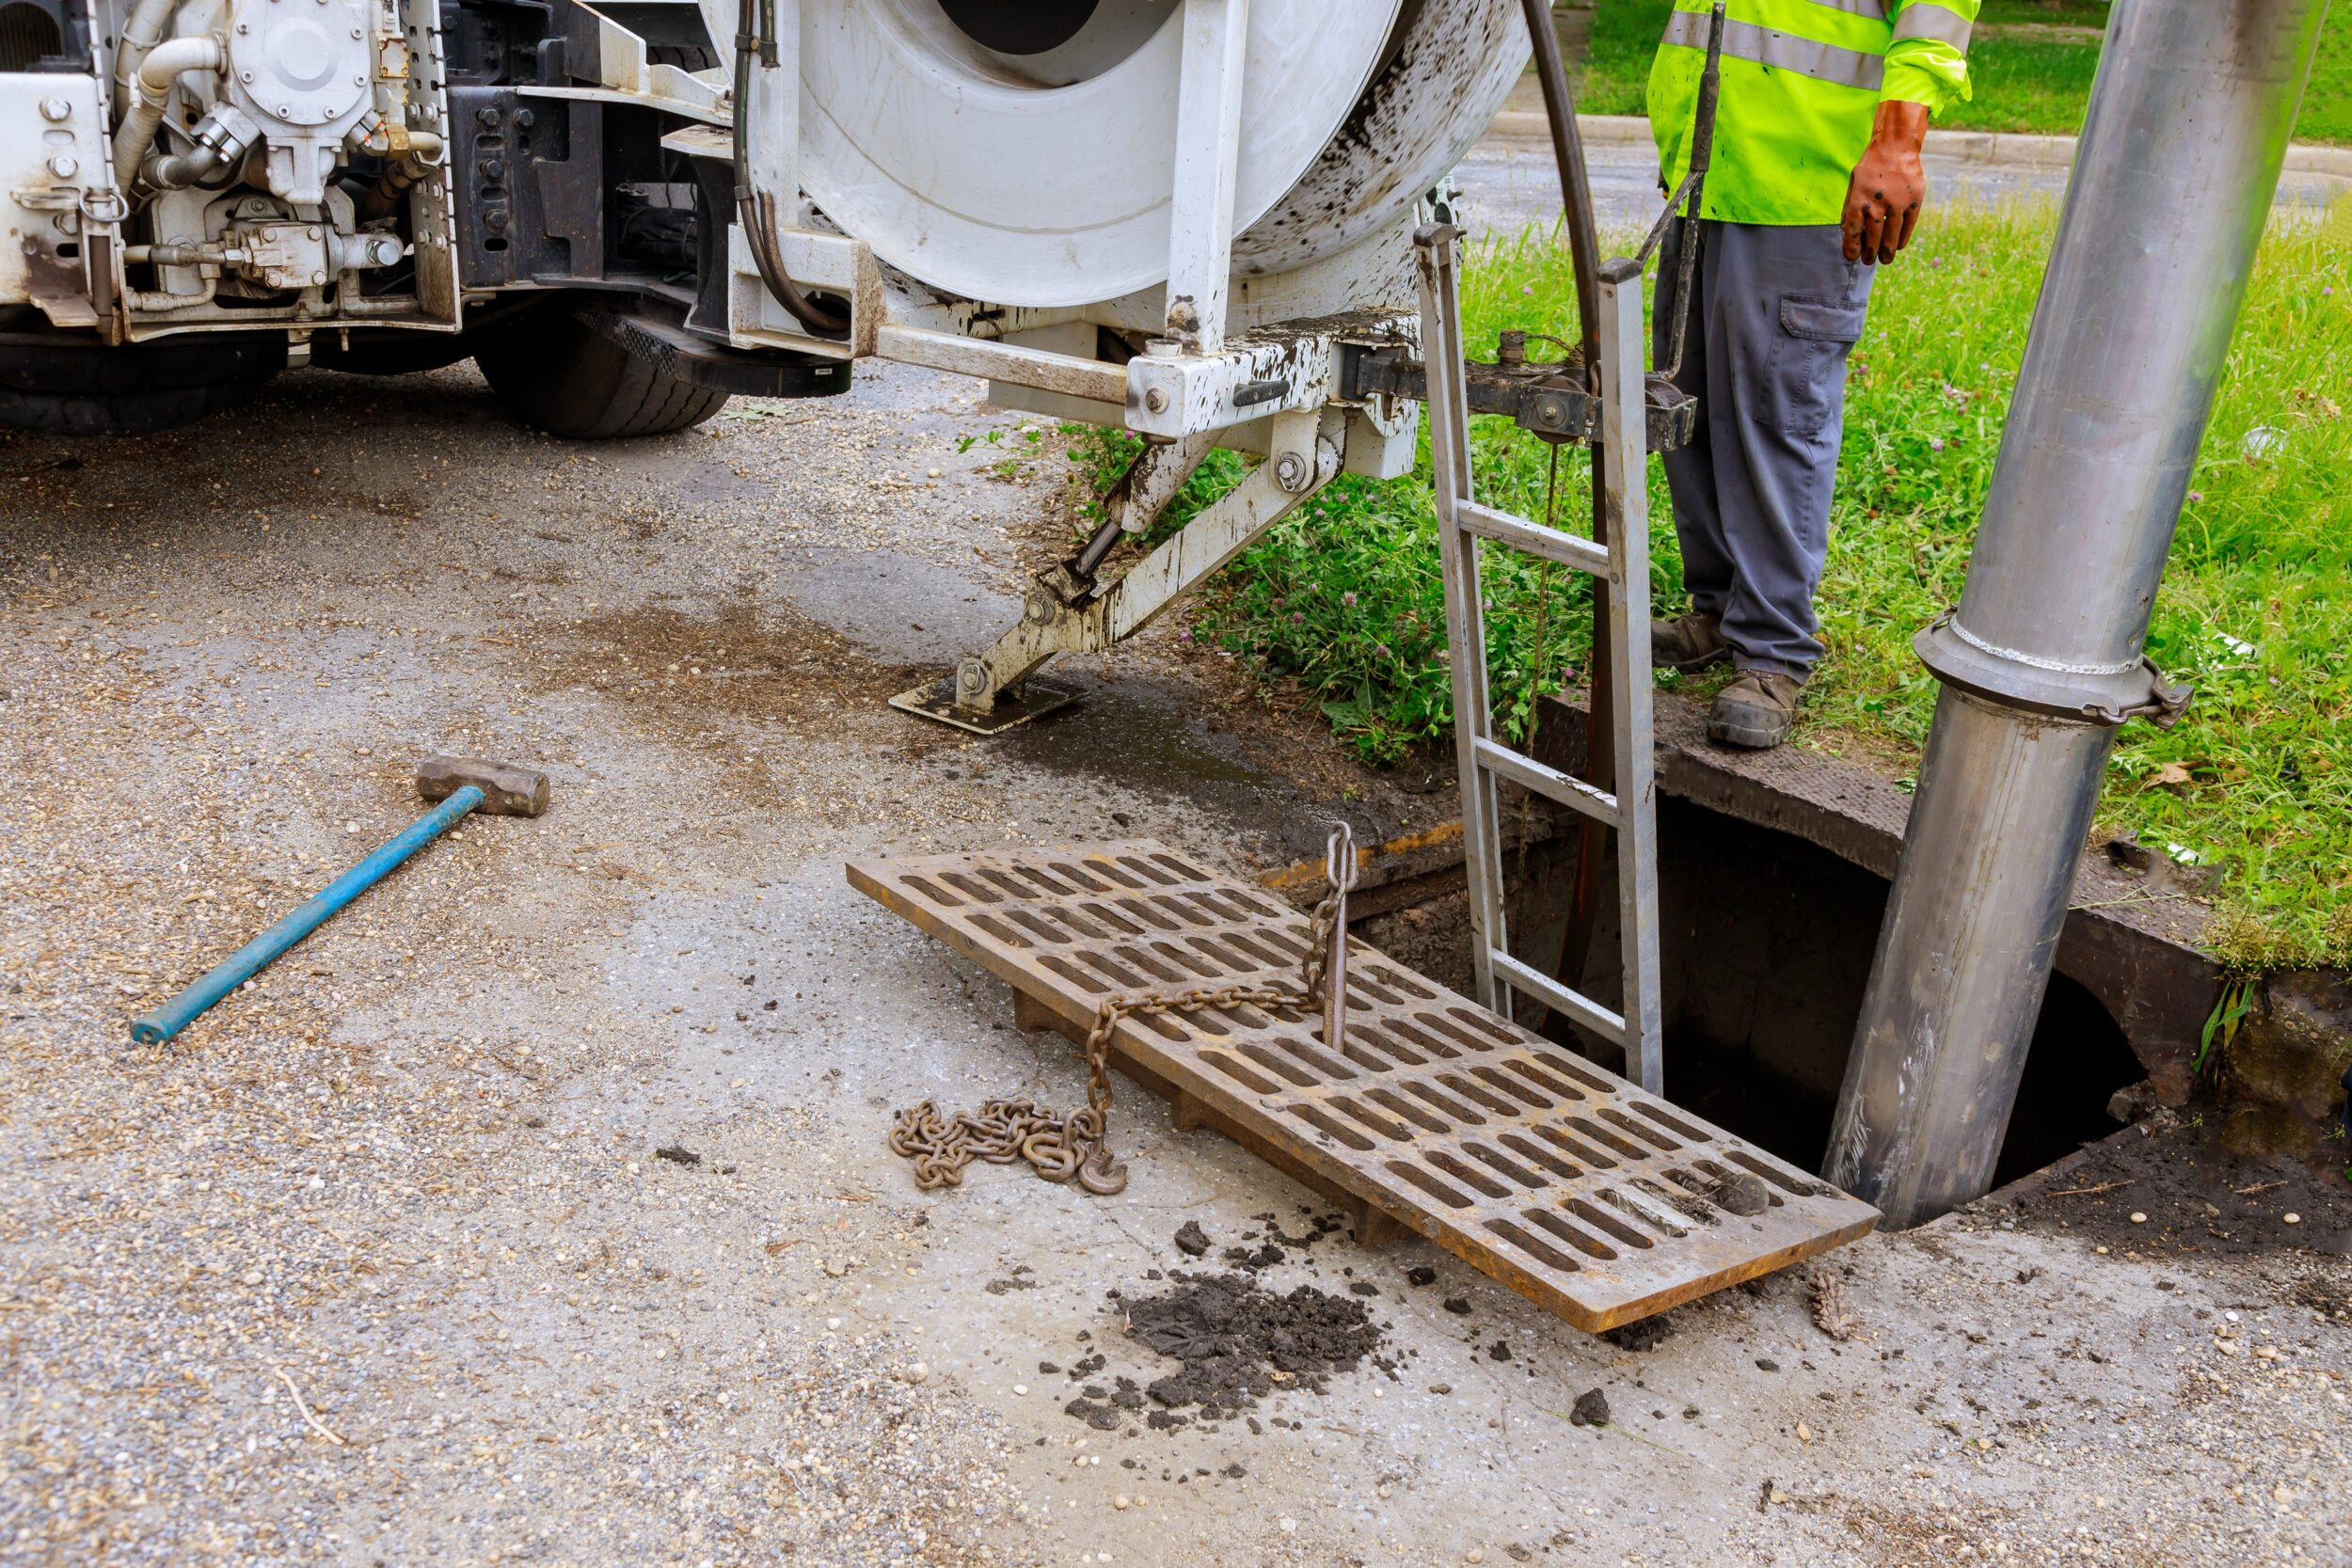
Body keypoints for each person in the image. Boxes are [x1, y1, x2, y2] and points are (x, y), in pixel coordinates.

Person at [1645, 0, 1978, 748]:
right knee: (1685, 402)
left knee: (1774, 413)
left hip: (1806, 176)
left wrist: (1899, 140)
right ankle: (1722, 607)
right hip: (1710, 166)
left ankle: (1773, 651)